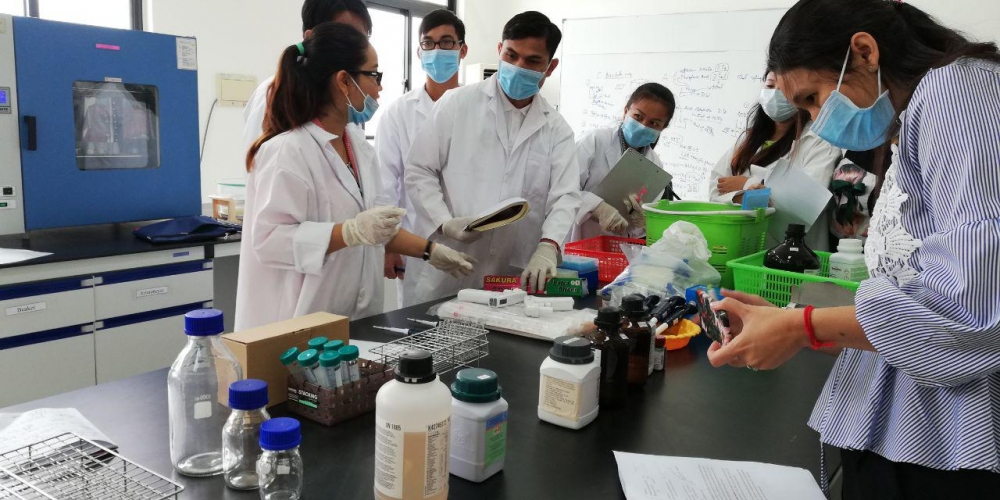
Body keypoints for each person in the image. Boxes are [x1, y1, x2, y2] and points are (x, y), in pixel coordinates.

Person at [707, 0, 1000, 497]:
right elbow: (911, 288)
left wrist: (801, 327)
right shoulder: (918, 114)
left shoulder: (958, 93)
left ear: (864, 52)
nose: (817, 121)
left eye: (813, 98)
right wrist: (793, 318)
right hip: (910, 426)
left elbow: (968, 307)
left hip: (948, 441)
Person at [235, 23, 475, 331]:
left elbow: (376, 228)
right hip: (301, 322)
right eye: (374, 75)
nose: (379, 88)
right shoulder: (287, 151)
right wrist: (348, 232)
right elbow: (269, 241)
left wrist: (430, 251)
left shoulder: (358, 145)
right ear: (344, 81)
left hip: (357, 317)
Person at [403, 11, 581, 304]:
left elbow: (565, 196)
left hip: (510, 275)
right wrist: (444, 222)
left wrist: (548, 246)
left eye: (532, 61)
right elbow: (419, 169)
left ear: (550, 67)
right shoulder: (457, 104)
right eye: (511, 55)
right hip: (448, 265)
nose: (518, 66)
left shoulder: (557, 130)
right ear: (499, 50)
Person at [375, 9, 468, 306]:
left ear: (462, 50)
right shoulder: (398, 113)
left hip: (471, 242)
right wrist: (390, 245)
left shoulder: (478, 109)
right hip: (416, 244)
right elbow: (386, 184)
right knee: (417, 324)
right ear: (419, 51)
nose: (437, 50)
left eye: (447, 42)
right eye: (428, 43)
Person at [709, 71, 841, 250]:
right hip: (742, 247)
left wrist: (747, 185)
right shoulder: (748, 140)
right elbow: (716, 189)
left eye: (784, 88)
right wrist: (747, 195)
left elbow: (807, 202)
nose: (775, 94)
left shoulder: (820, 140)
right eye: (770, 86)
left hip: (796, 254)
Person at [243, 0, 372, 152]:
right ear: (311, 37)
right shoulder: (276, 93)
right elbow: (265, 160)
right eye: (345, 40)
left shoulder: (344, 94)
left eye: (362, 41)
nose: (357, 51)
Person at [571, 83, 676, 241]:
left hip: (618, 248)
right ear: (626, 111)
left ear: (663, 128)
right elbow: (564, 191)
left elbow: (639, 232)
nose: (643, 126)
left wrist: (643, 222)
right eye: (638, 116)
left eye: (654, 123)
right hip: (578, 240)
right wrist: (597, 207)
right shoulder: (593, 141)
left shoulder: (655, 166)